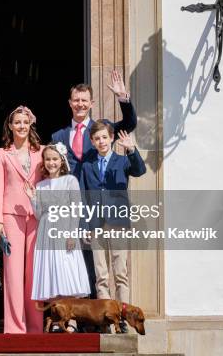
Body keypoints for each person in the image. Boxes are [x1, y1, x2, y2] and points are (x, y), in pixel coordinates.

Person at [51, 70, 137, 297]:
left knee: (101, 263)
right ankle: (77, 315)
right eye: (76, 100)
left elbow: (130, 123)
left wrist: (122, 98)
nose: (80, 104)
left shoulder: (102, 130)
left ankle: (99, 317)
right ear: (70, 103)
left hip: (99, 206)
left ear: (91, 103)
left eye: (84, 100)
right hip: (71, 205)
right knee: (74, 257)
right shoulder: (59, 136)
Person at [82, 121, 146, 333]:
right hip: (96, 224)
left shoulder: (122, 161)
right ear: (92, 141)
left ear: (111, 139)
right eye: (97, 138)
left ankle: (123, 318)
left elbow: (140, 170)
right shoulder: (87, 165)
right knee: (101, 275)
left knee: (120, 273)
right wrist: (84, 225)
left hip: (118, 223)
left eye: (104, 137)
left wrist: (131, 149)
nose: (101, 141)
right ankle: (106, 320)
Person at [24, 143, 91, 332]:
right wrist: (32, 197)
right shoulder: (40, 185)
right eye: (48, 159)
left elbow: (76, 209)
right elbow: (38, 214)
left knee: (67, 273)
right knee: (52, 274)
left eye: (54, 159)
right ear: (43, 162)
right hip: (46, 233)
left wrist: (71, 233)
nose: (51, 163)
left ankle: (72, 321)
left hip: (64, 231)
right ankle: (57, 319)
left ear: (61, 160)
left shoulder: (70, 180)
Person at [0, 106, 44, 334]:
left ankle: (35, 327)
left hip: (37, 217)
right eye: (17, 122)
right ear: (10, 126)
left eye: (25, 122)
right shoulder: (1, 154)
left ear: (30, 124)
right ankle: (14, 327)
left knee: (34, 272)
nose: (22, 126)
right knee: (13, 273)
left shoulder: (42, 152)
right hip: (10, 217)